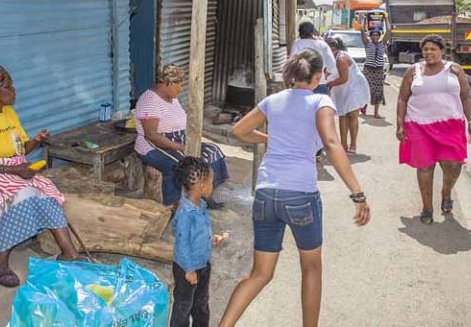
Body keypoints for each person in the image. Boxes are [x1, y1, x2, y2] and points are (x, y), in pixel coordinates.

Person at [219, 50, 371, 327]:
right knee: (311, 267)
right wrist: (357, 192)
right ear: (316, 76)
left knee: (260, 274)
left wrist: (272, 138)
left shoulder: (273, 100)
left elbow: (238, 131)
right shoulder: (320, 101)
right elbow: (332, 144)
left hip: (266, 194)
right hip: (300, 195)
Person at [0, 65, 81, 288]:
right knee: (22, 196)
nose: (14, 90)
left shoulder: (8, 112)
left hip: (9, 167)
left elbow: (20, 149)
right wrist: (15, 171)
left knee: (46, 190)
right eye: (8, 86)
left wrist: (36, 139)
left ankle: (69, 253)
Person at [396, 35, 471, 224]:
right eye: (425, 49)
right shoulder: (413, 71)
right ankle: (427, 207)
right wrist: (400, 124)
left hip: (451, 125)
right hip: (418, 124)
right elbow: (402, 98)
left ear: (442, 51)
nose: (429, 52)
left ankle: (446, 192)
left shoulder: (455, 70)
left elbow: (465, 97)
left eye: (433, 49)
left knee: (453, 164)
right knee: (424, 166)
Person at [135, 64, 229, 209]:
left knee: (212, 152)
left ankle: (204, 194)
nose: (181, 89)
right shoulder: (149, 101)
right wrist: (180, 147)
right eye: (179, 85)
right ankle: (173, 206)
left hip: (178, 140)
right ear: (169, 83)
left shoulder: (171, 97)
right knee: (179, 166)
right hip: (153, 146)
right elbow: (151, 135)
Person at [170, 157, 228, 327]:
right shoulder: (185, 213)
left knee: (201, 302)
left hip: (203, 264)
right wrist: (189, 270)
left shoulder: (201, 205)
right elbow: (182, 243)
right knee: (183, 305)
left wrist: (211, 238)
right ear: (200, 184)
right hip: (187, 268)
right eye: (211, 182)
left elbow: (197, 233)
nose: (213, 185)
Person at [325, 37, 370, 154]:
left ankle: (353, 144)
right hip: (340, 89)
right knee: (342, 115)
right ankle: (343, 145)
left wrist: (329, 84)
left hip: (353, 88)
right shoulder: (329, 58)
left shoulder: (341, 58)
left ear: (334, 49)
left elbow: (344, 78)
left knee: (352, 116)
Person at [291, 21, 337, 94]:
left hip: (301, 84)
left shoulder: (297, 44)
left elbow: (292, 63)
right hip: (319, 83)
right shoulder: (322, 45)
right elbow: (332, 65)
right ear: (312, 31)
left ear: (300, 32)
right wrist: (326, 75)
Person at [361, 23, 389, 119]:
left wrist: (386, 18)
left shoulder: (382, 44)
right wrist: (364, 19)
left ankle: (376, 112)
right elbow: (362, 31)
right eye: (373, 35)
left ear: (379, 36)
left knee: (378, 90)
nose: (375, 37)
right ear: (370, 36)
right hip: (368, 69)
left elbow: (388, 31)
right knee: (366, 88)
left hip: (379, 70)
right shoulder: (367, 44)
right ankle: (363, 106)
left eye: (377, 35)